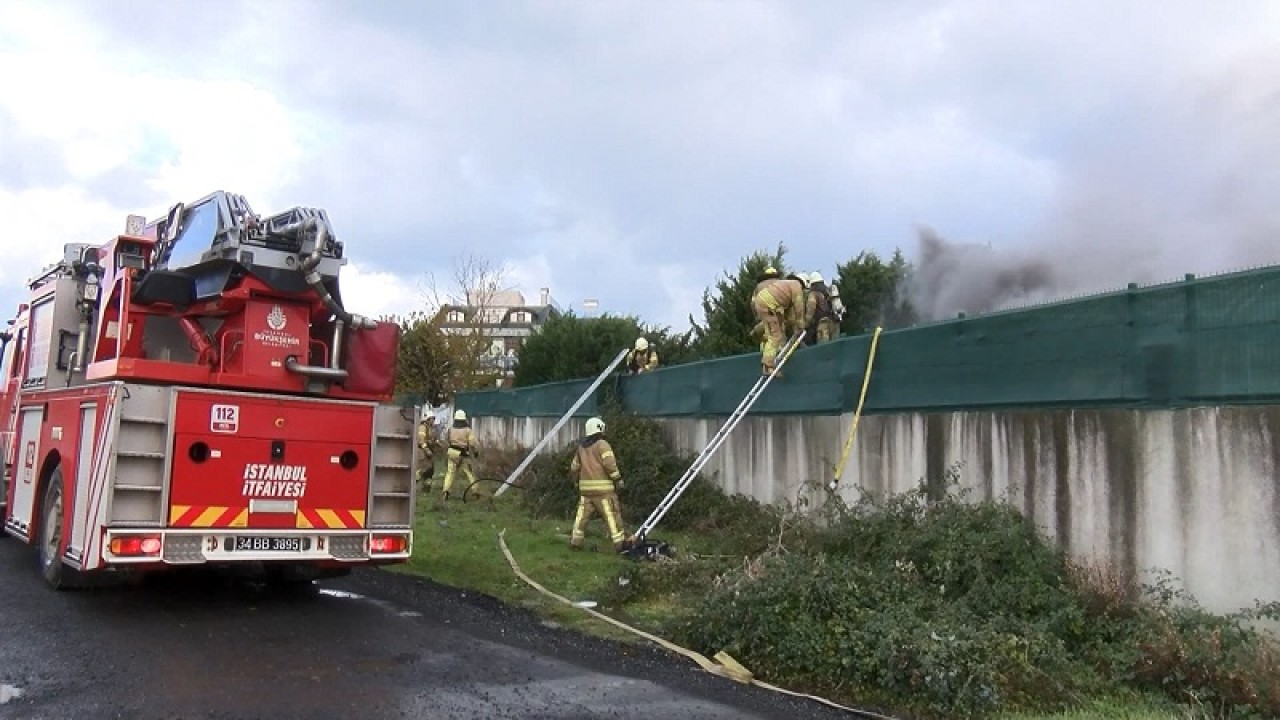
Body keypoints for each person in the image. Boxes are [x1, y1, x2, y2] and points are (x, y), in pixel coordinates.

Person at [568, 416, 631, 552]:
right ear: (599, 429)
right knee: (611, 515)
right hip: (603, 491)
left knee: (581, 517)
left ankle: (576, 541)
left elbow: (574, 467)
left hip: (585, 490)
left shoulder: (581, 448)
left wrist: (575, 482)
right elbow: (609, 464)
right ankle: (620, 545)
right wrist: (618, 479)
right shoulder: (602, 444)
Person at [750, 271, 811, 376]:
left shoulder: (787, 286)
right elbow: (799, 308)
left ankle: (766, 368)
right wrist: (801, 325)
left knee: (773, 335)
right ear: (803, 284)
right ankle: (769, 366)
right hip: (768, 305)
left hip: (764, 303)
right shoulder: (796, 286)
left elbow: (789, 316)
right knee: (775, 336)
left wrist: (795, 327)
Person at [441, 409, 478, 501]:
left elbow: (447, 440)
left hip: (452, 453)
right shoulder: (467, 430)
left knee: (450, 473)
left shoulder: (450, 429)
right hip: (463, 454)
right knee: (469, 473)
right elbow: (472, 443)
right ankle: (475, 491)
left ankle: (445, 491)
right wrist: (476, 451)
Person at [806, 272, 839, 344]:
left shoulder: (813, 294)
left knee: (824, 350)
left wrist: (805, 324)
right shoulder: (828, 291)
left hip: (822, 325)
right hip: (834, 324)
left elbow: (810, 311)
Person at [415, 415, 437, 494]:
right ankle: (413, 483)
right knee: (423, 469)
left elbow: (431, 439)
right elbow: (421, 440)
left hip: (429, 451)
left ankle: (426, 489)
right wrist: (427, 450)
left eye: (434, 419)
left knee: (430, 470)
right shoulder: (422, 428)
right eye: (432, 419)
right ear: (427, 419)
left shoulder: (430, 428)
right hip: (422, 451)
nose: (433, 421)